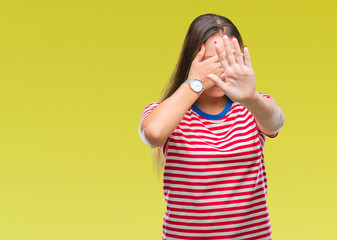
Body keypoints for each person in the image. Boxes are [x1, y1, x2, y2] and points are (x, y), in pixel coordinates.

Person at [138, 13, 285, 240]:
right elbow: (153, 134)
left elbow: (276, 122)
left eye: (227, 59)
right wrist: (195, 83)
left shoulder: (252, 106)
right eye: (211, 61)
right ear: (192, 61)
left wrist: (251, 98)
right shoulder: (168, 111)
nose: (219, 72)